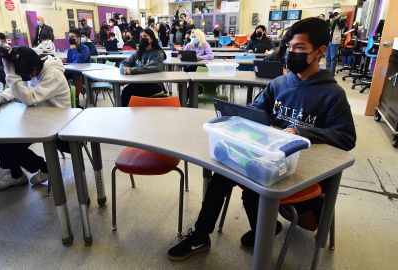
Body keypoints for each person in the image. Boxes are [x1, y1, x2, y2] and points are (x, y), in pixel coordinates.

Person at [167, 17, 356, 262]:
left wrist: (302, 132)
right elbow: (256, 110)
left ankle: (263, 229)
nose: (291, 54)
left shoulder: (332, 93)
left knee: (253, 190)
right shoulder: (280, 84)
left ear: (320, 51)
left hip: (301, 167)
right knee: (221, 175)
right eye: (289, 48)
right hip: (270, 157)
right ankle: (202, 235)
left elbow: (346, 137)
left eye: (299, 48)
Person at [0, 46, 70, 191]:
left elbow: (30, 98)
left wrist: (10, 73)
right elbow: (15, 89)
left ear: (35, 68)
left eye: (24, 76)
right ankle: (16, 175)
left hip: (57, 123)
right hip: (37, 120)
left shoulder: (53, 74)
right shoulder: (31, 69)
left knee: (10, 145)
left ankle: (45, 168)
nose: (25, 80)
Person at [119, 29, 167, 107]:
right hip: (138, 83)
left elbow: (155, 67)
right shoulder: (138, 53)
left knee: (133, 95)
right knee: (125, 92)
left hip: (154, 84)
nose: (142, 38)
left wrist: (132, 70)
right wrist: (124, 69)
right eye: (141, 37)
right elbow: (123, 63)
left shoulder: (159, 53)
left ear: (151, 39)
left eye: (145, 36)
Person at [326, 9, 347, 76]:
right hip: (328, 41)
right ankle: (327, 71)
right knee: (327, 58)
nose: (335, 15)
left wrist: (337, 20)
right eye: (334, 14)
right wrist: (331, 20)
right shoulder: (329, 21)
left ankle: (332, 73)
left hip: (334, 41)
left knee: (333, 58)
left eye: (337, 14)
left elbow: (341, 27)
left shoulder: (341, 21)